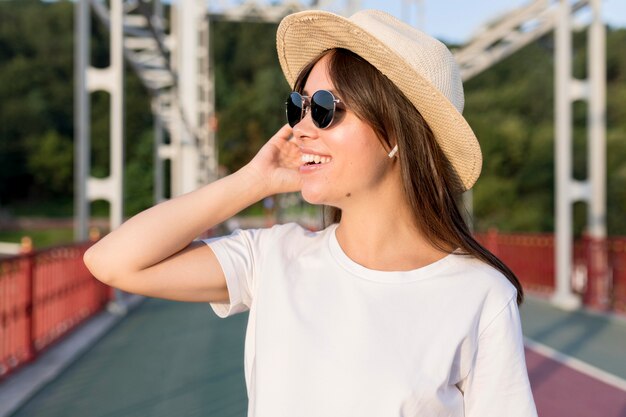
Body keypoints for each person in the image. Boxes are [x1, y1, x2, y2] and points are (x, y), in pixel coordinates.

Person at [84, 9, 538, 417]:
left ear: (397, 132)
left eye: (323, 110)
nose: (299, 128)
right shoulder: (273, 259)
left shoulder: (478, 294)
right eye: (298, 106)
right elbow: (112, 262)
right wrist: (253, 180)